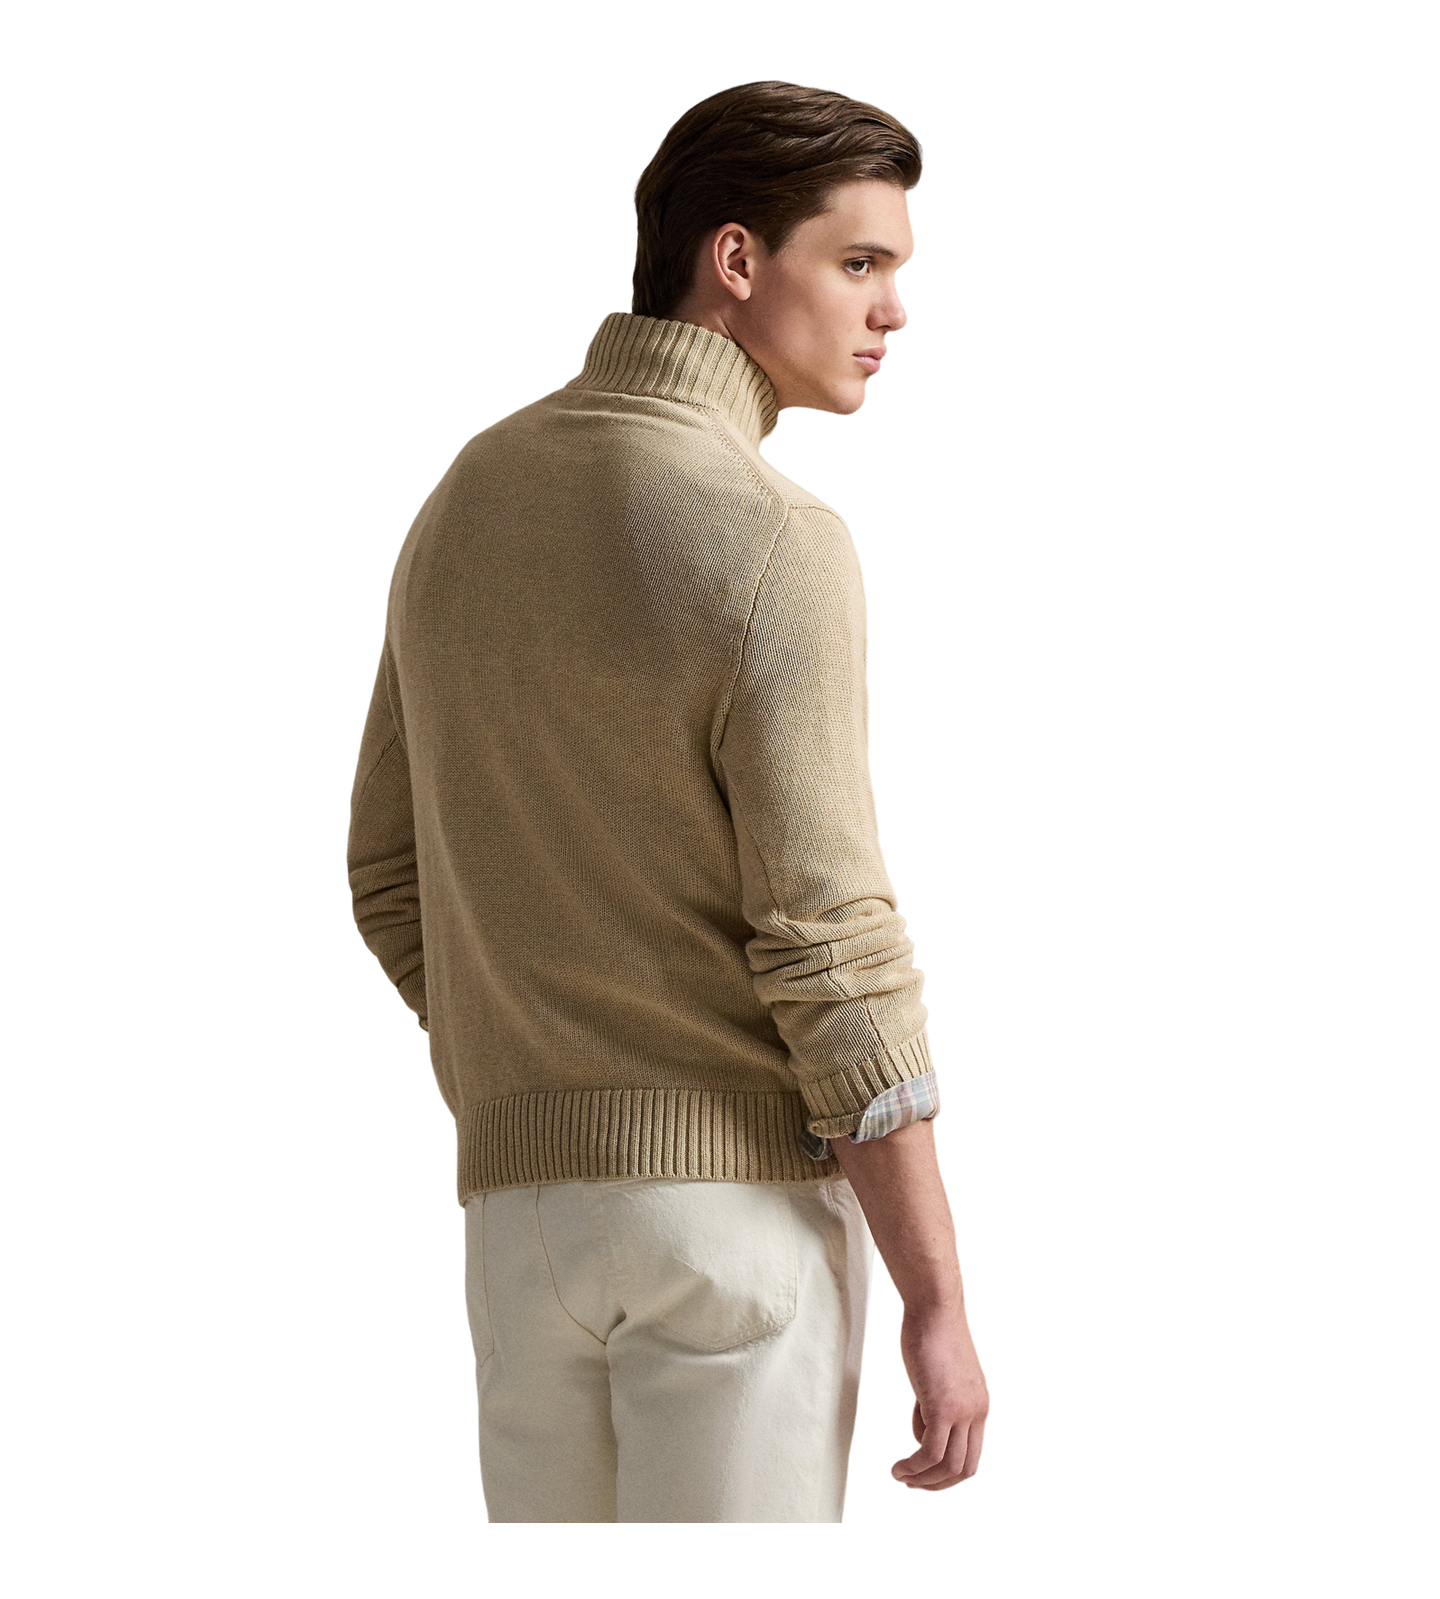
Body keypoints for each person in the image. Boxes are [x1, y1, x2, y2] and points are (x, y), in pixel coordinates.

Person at [346, 78, 989, 1522]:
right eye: (860, 262)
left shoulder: (465, 493)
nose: (892, 311)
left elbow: (386, 872)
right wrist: (936, 1298)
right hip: (739, 1224)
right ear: (736, 257)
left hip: (520, 1225)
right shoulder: (772, 536)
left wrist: (544, 1058)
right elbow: (832, 938)